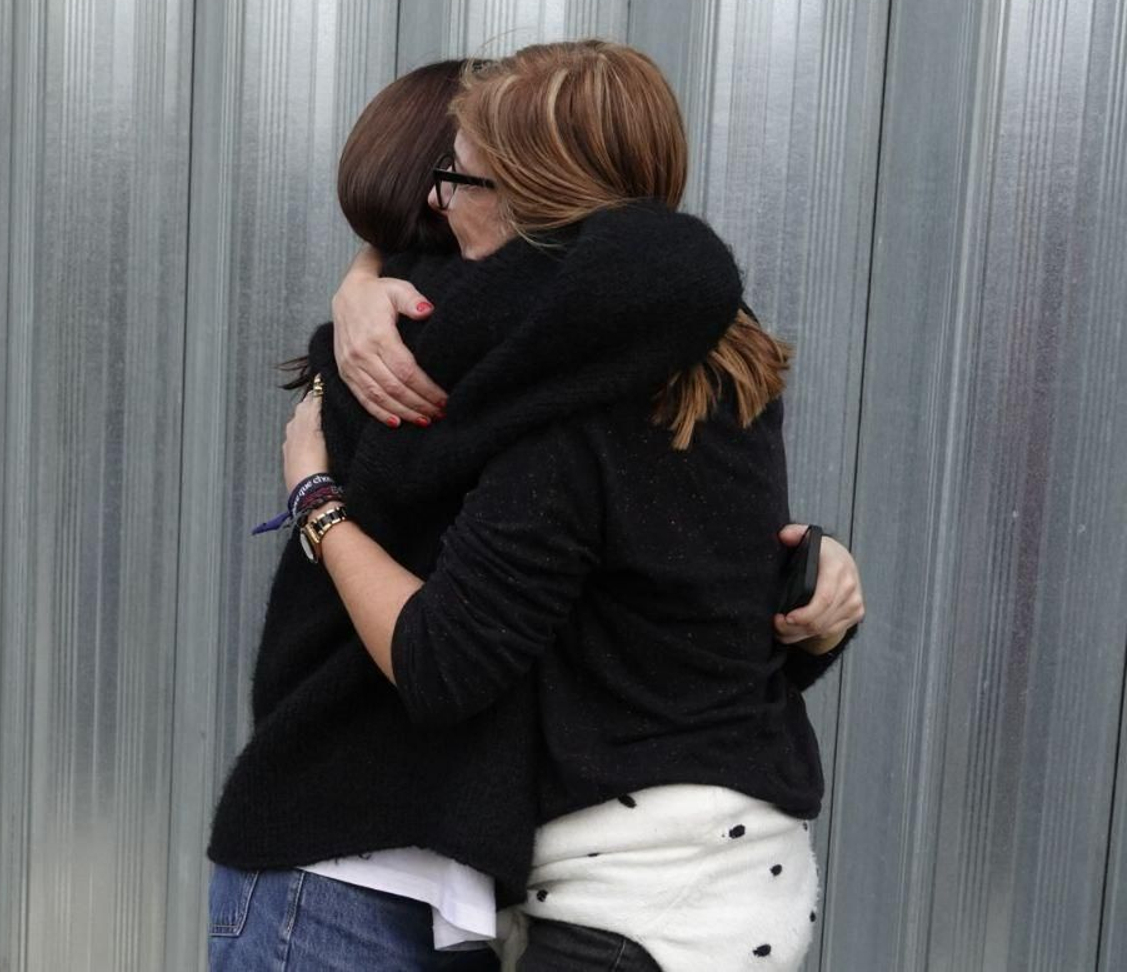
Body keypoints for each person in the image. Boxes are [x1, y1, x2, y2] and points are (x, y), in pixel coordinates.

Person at [208, 49, 863, 972]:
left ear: (527, 191)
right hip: (733, 879)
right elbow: (674, 624)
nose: (437, 203)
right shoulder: (730, 364)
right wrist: (361, 279)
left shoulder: (565, 395)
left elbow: (445, 657)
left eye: (457, 177)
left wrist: (315, 497)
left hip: (627, 903)